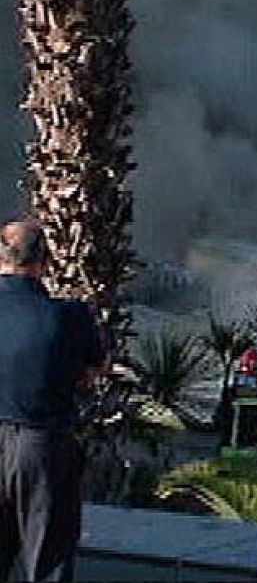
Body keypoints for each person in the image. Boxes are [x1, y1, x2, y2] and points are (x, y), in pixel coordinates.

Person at [0, 218, 105, 583]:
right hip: (41, 445)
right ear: (45, 261)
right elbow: (95, 367)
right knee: (47, 560)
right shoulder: (68, 316)